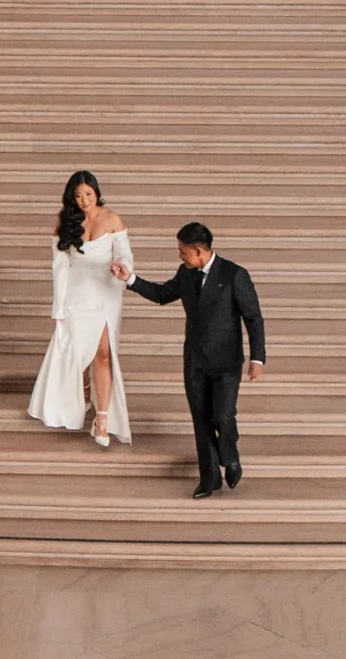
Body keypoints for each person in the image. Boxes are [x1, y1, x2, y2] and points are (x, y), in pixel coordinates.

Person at [124, 221, 265, 499]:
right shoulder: (185, 274)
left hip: (226, 362)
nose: (180, 256)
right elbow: (163, 294)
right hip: (195, 362)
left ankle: (230, 456)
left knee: (223, 417)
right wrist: (130, 279)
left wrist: (257, 358)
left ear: (199, 252)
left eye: (183, 251)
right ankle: (209, 480)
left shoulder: (234, 274)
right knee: (201, 421)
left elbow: (253, 317)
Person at [27, 171, 134, 447]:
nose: (85, 200)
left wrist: (123, 269)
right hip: (76, 297)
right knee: (77, 352)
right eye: (78, 196)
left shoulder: (112, 219)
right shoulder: (65, 222)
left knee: (103, 353)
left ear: (96, 192)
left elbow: (125, 254)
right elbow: (59, 268)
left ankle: (102, 421)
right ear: (71, 198)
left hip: (106, 294)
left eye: (89, 194)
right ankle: (85, 389)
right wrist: (58, 308)